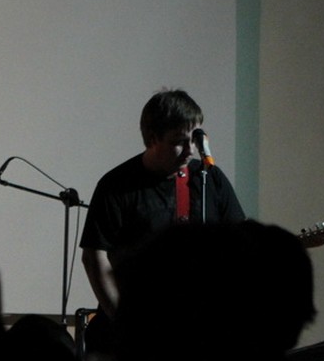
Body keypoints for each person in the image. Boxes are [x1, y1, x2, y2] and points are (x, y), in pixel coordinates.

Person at [79, 88, 245, 333]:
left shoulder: (210, 178)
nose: (190, 150)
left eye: (194, 139)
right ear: (153, 138)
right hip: (133, 327)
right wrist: (128, 324)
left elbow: (240, 244)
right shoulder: (116, 185)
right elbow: (94, 259)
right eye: (179, 142)